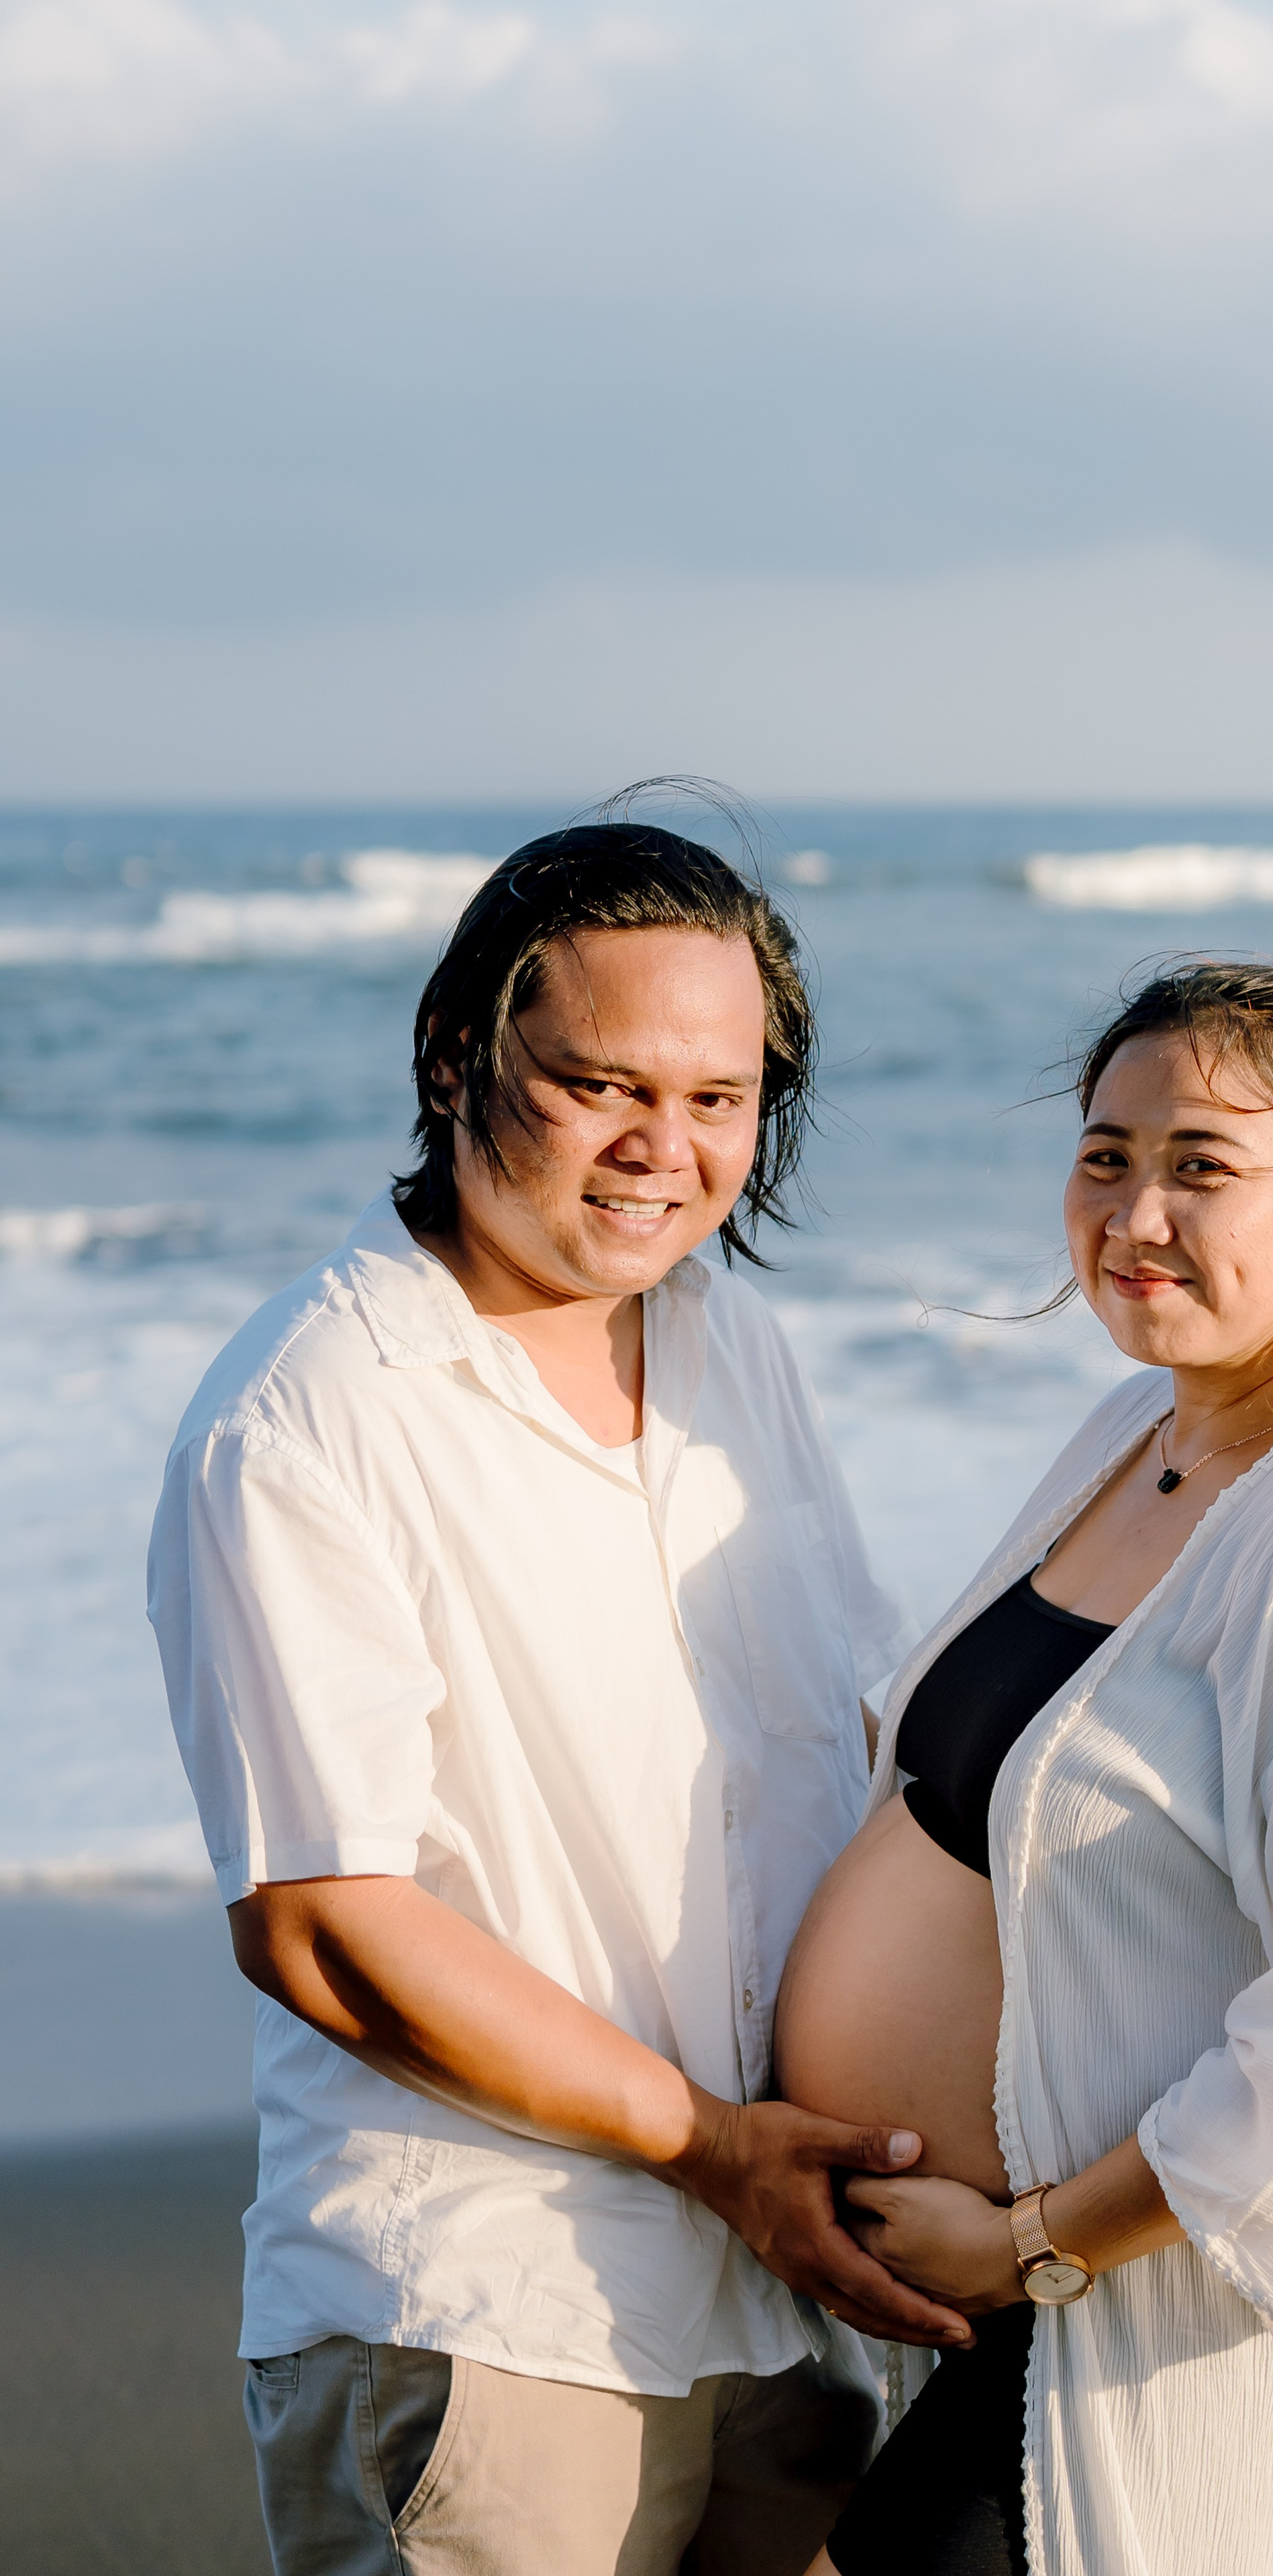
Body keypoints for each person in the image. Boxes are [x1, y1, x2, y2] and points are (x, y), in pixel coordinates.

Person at [148, 819, 975, 2576]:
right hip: (489, 2310)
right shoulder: (311, 1417)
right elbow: (323, 1923)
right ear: (457, 1057)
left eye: (720, 1099)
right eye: (601, 1085)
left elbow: (838, 1766)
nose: (665, 1154)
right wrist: (711, 2146)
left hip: (793, 2295)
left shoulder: (734, 1351)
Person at [774, 961, 1273, 2576]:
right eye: (1103, 1156)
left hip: (1121, 2338)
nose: (1130, 1212)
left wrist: (1028, 2246)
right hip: (986, 2331)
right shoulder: (1139, 1439)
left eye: (1198, 1165)